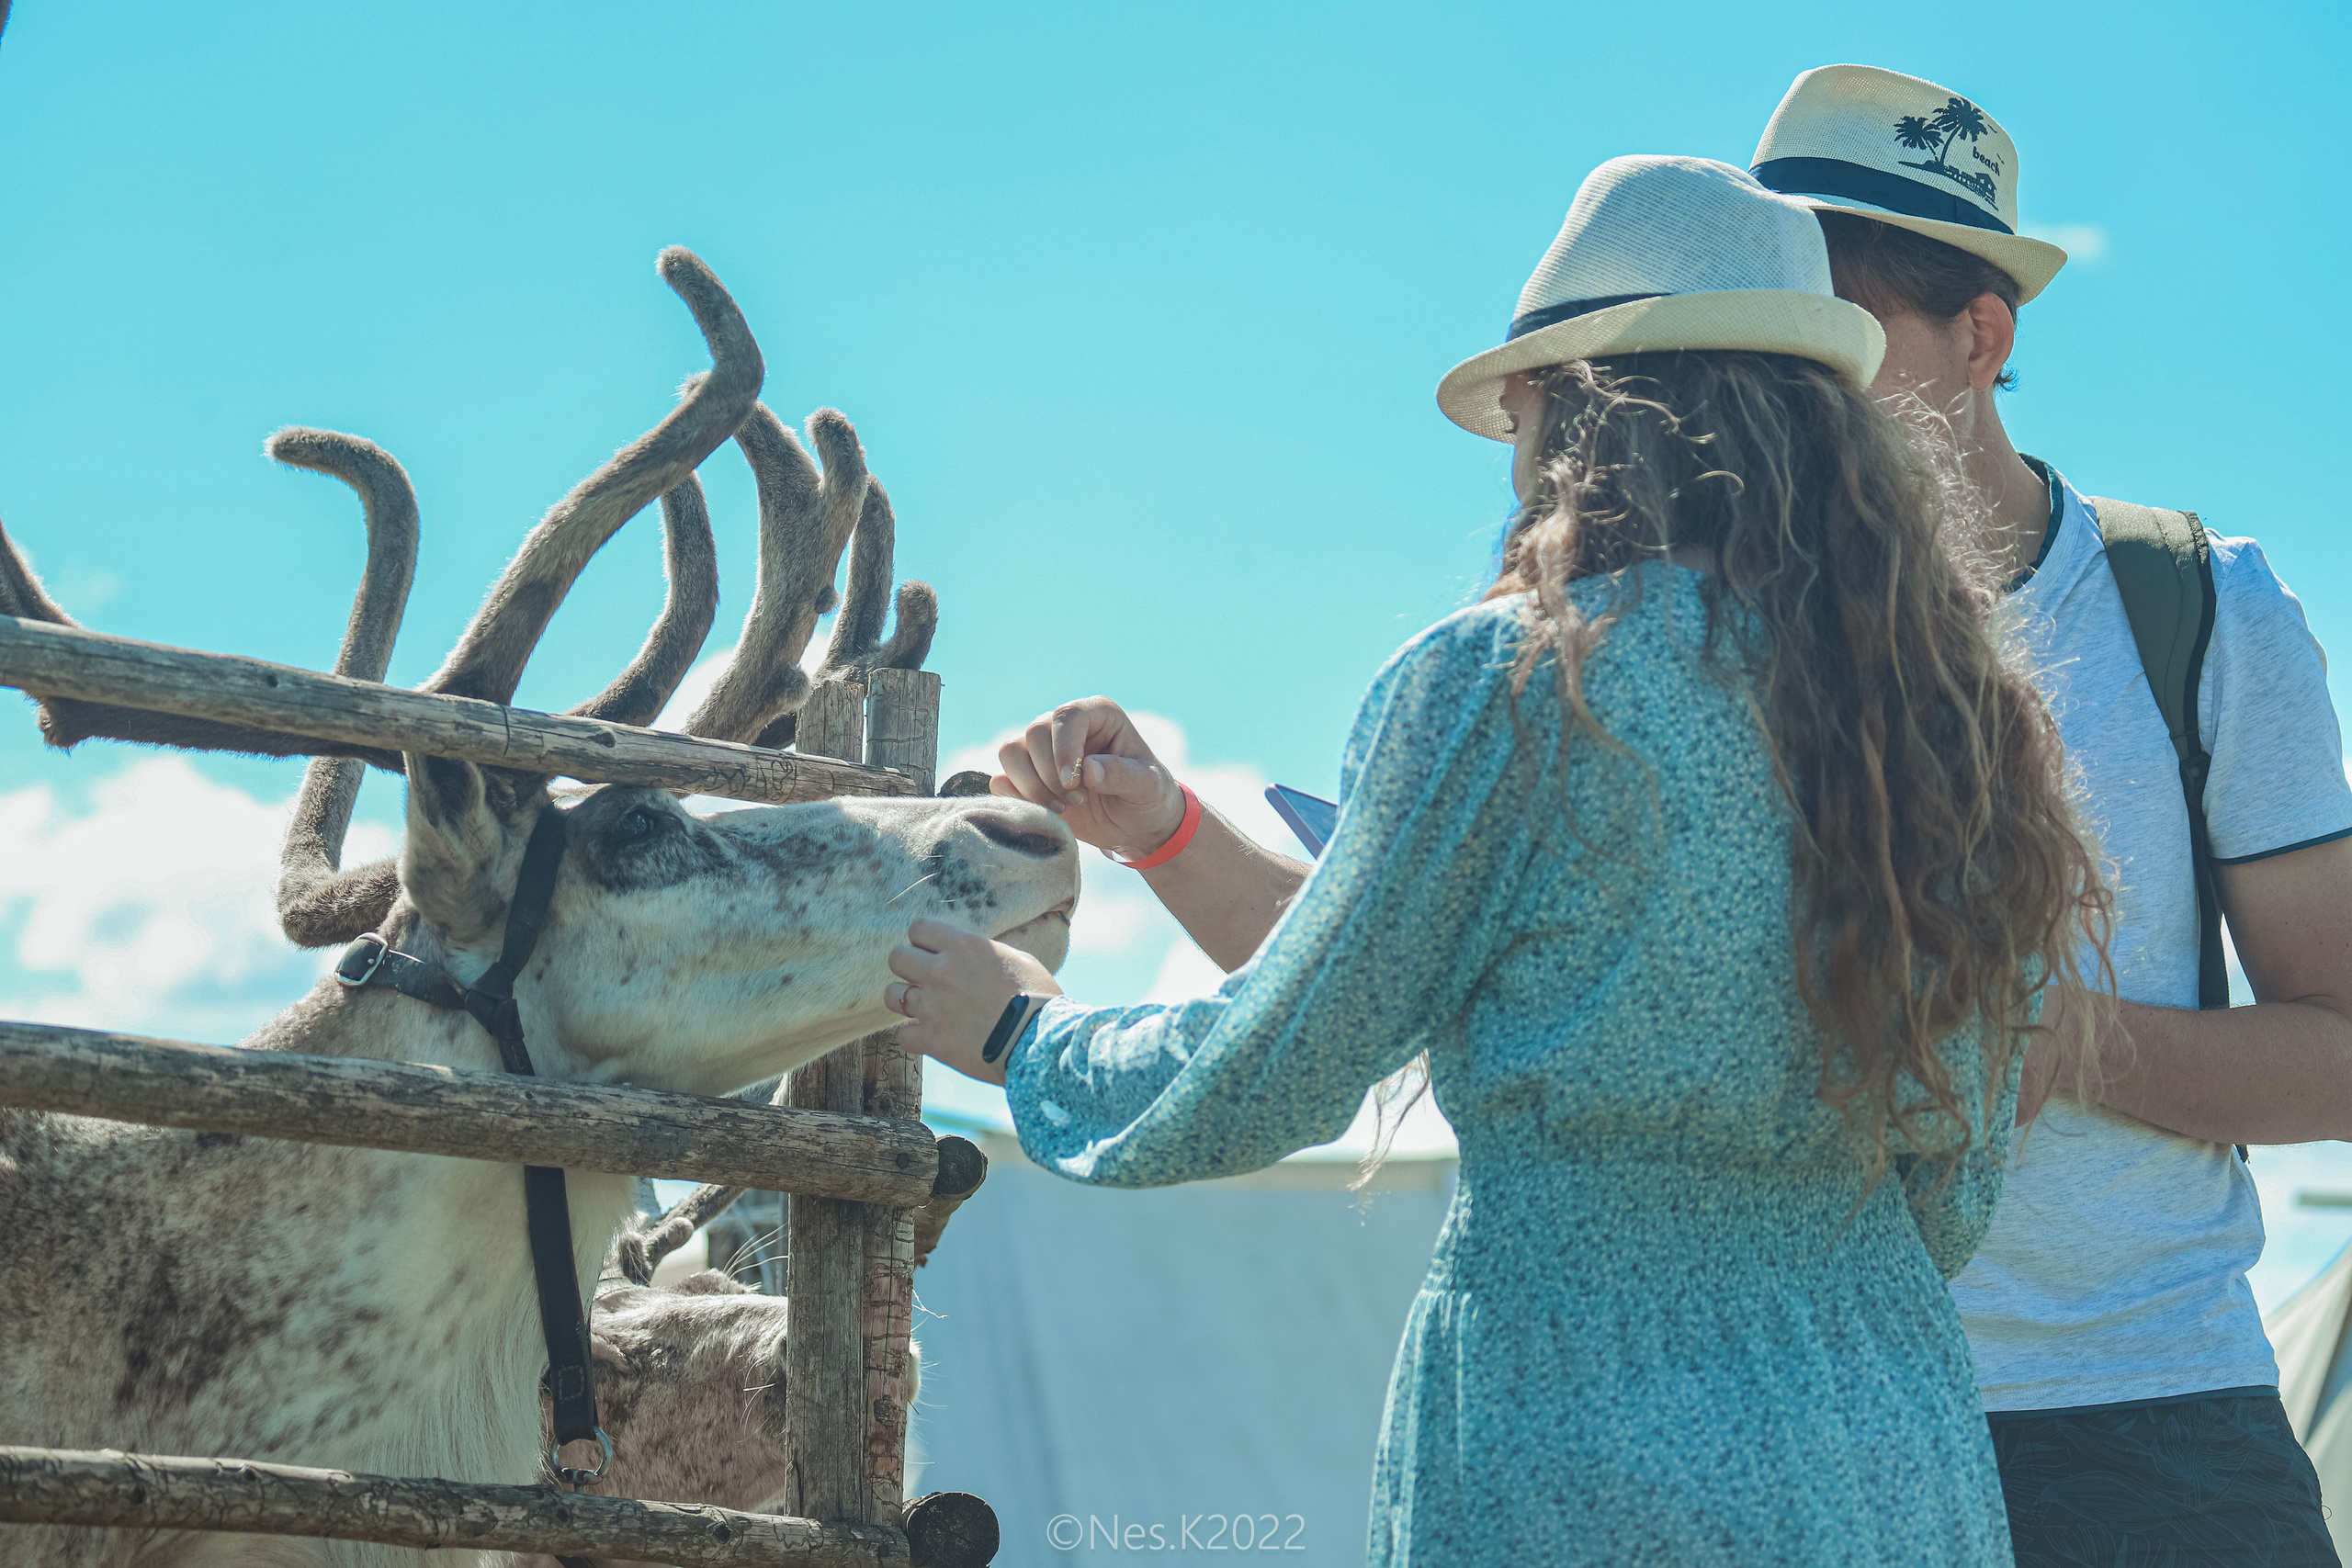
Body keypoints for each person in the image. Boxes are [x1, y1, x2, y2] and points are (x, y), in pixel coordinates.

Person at [883, 154, 2104, 1565]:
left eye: (1524, 406)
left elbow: (1270, 1068)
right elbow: (1953, 1189)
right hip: (1889, 1448)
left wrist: (1028, 1037)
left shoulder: (1517, 687)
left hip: (1572, 1447)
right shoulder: (1950, 723)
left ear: (1578, 410)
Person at [1749, 64, 2352, 1567]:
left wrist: (2045, 1034)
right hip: (1798, 1416)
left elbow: (2341, 1055)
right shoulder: (1708, 633)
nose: (1796, 397)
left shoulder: (2201, 604)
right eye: (1773, 347)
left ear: (1986, 335)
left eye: (1844, 339)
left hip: (2156, 1430)